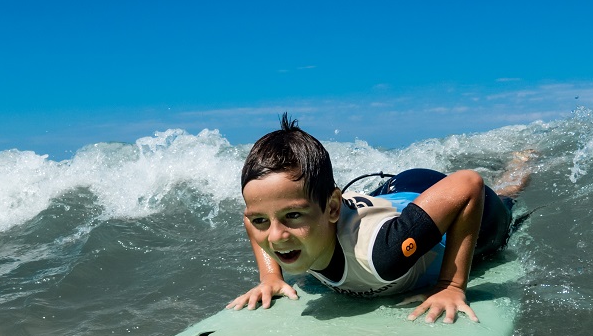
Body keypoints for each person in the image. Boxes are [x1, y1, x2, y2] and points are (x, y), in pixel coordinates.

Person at [226, 114, 534, 323]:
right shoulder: (278, 224)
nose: (275, 236)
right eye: (262, 221)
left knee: (505, 196)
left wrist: (451, 286)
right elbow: (251, 218)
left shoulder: (383, 255)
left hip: (426, 194)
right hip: (389, 194)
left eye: (293, 216)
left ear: (332, 209)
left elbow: (467, 183)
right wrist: (271, 277)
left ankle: (522, 163)